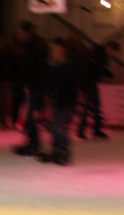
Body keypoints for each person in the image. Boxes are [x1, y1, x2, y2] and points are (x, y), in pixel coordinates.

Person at [38, 38, 78, 165]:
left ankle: (63, 148)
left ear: (62, 50)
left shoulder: (69, 64)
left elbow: (69, 83)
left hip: (66, 101)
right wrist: (50, 66)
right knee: (55, 125)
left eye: (54, 49)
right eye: (51, 49)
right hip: (56, 100)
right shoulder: (52, 64)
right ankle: (56, 148)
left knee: (58, 125)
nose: (52, 51)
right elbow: (47, 81)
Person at [10, 23, 47, 157]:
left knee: (30, 115)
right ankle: (32, 141)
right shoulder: (30, 47)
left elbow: (32, 70)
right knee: (28, 115)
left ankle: (34, 142)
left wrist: (25, 84)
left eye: (21, 32)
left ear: (26, 33)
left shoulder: (32, 48)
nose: (19, 35)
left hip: (34, 87)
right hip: (31, 87)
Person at [77, 41, 113, 141]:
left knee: (94, 107)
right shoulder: (100, 55)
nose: (112, 54)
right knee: (90, 107)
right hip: (90, 83)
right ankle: (84, 130)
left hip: (89, 83)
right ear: (109, 48)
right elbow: (96, 69)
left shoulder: (96, 53)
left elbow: (94, 68)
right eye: (112, 52)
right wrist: (107, 73)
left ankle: (92, 130)